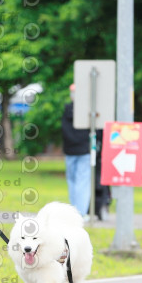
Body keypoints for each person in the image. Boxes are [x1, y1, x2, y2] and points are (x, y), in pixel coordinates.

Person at [61, 84, 91, 218]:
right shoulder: (87, 110)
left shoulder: (67, 110)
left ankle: (74, 211)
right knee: (82, 182)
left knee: (73, 181)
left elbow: (64, 131)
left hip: (70, 150)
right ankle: (80, 212)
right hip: (83, 150)